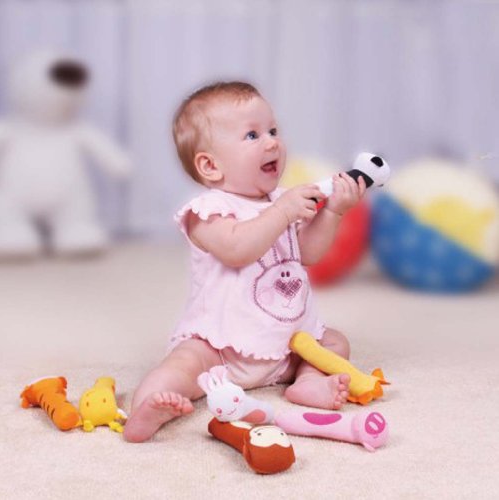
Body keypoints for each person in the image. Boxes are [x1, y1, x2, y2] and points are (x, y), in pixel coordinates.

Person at [124, 82, 366, 443]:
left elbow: (309, 253)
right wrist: (283, 212)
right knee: (182, 364)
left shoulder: (283, 200)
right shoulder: (207, 211)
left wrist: (332, 212)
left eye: (273, 131)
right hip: (219, 350)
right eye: (252, 135)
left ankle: (308, 381)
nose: (272, 143)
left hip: (287, 343)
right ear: (210, 165)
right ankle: (147, 408)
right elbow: (237, 248)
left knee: (334, 343)